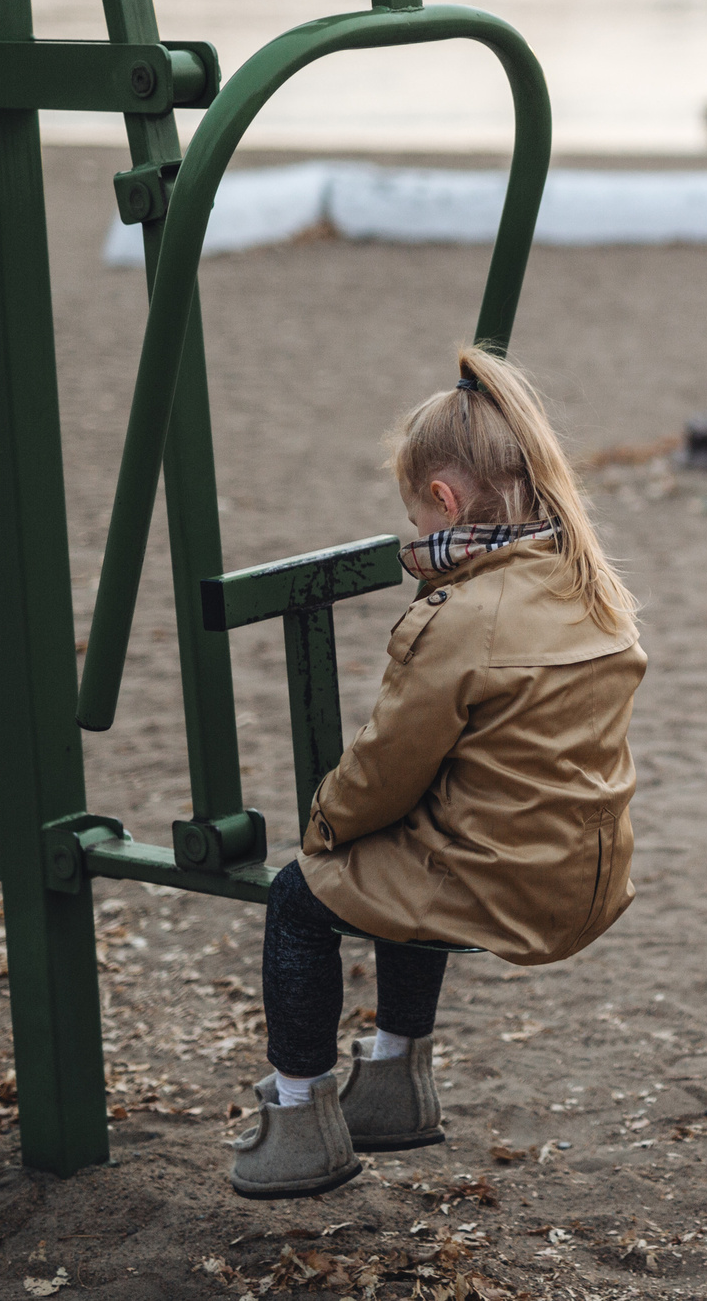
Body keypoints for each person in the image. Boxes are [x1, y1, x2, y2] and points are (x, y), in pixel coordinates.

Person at [228, 345, 646, 1199]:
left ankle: (301, 1124)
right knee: (408, 857)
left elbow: (386, 764)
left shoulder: (460, 617)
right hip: (588, 871)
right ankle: (393, 1083)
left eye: (416, 515)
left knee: (300, 898)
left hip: (508, 882)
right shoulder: (582, 578)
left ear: (445, 500)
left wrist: (325, 824)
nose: (417, 533)